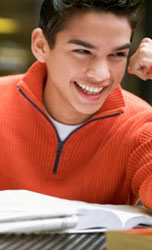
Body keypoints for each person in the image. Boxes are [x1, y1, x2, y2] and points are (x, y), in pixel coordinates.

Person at [0, 0, 152, 209]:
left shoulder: (141, 125)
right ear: (41, 46)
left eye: (117, 55)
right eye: (83, 51)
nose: (101, 74)